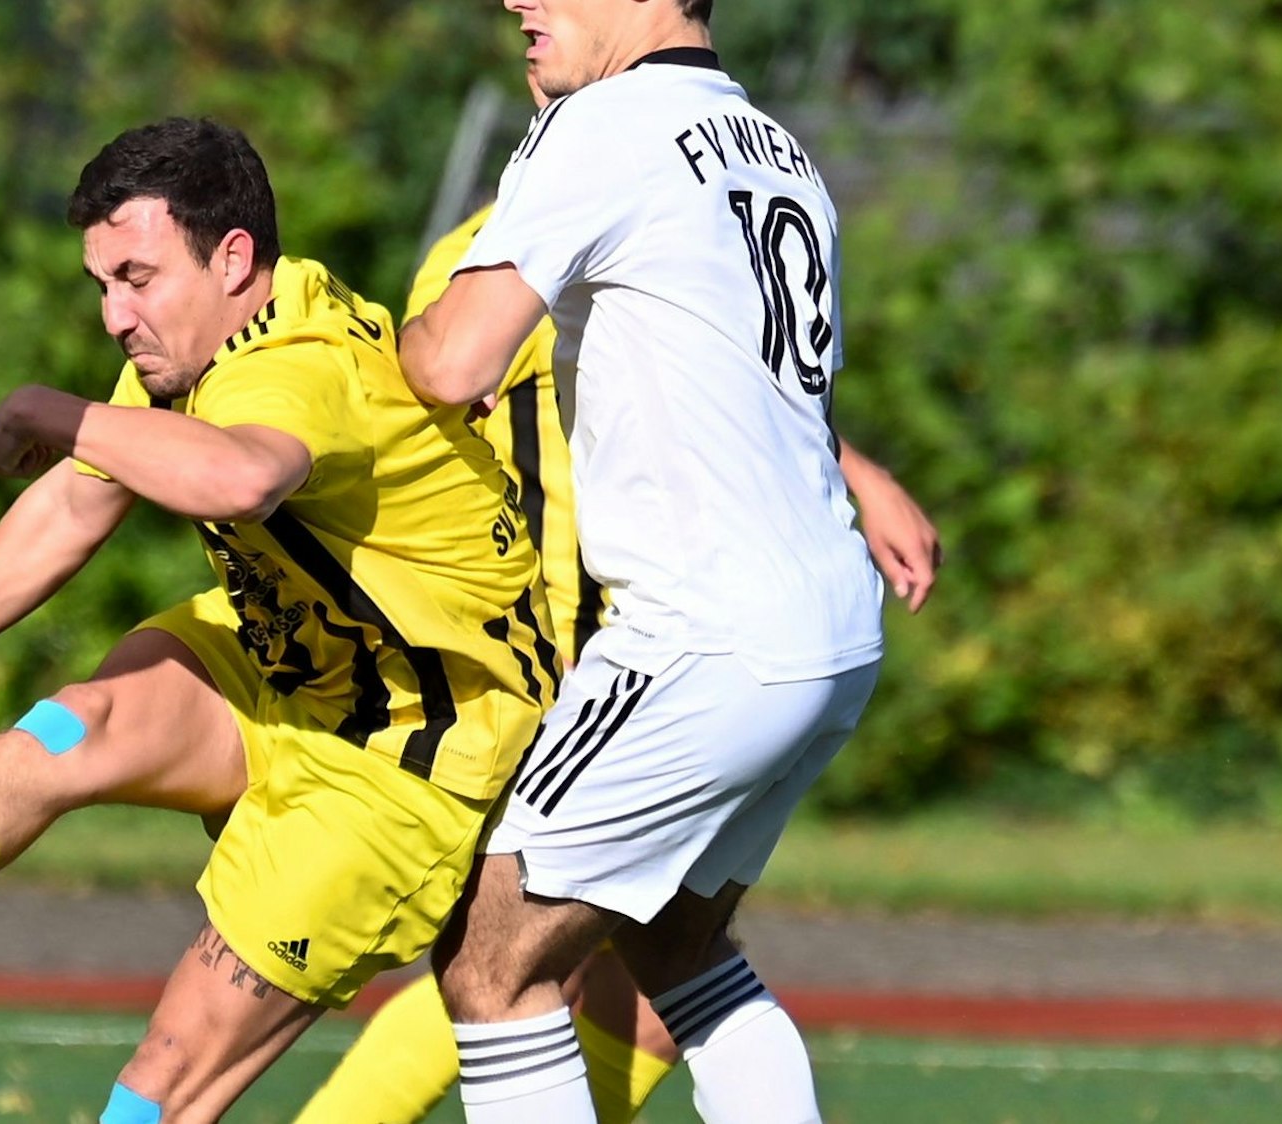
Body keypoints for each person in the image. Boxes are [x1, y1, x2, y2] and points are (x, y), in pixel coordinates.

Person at [0, 116, 556, 1124]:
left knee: (166, 1080)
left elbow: (239, 476)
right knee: (69, 726)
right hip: (289, 660)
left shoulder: (298, 360)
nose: (114, 314)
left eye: (136, 278)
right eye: (101, 283)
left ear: (233, 258)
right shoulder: (202, 341)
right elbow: (75, 501)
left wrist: (45, 407)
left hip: (407, 751)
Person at [299, 190, 940, 1123]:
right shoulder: (512, 243)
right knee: (546, 953)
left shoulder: (649, 196)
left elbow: (719, 385)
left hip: (658, 649)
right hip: (563, 651)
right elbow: (426, 399)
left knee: (542, 958)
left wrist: (854, 467)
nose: (530, 35)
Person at [396, 0, 896, 1119]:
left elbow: (451, 359)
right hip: (830, 626)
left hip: (701, 634)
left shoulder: (606, 123)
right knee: (678, 944)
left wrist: (358, 346)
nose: (518, 0)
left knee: (494, 964)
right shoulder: (775, 145)